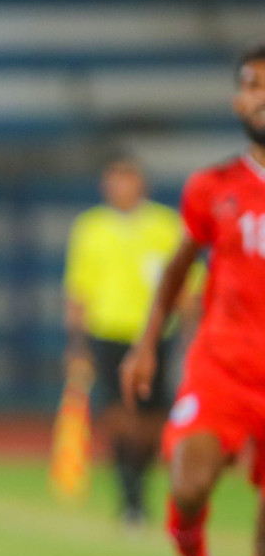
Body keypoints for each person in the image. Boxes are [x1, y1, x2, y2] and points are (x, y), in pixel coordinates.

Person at [122, 43, 265, 556]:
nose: (261, 95)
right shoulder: (213, 188)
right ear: (237, 101)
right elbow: (180, 267)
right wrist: (148, 344)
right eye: (252, 85)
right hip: (224, 367)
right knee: (188, 482)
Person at [63, 154, 188, 526]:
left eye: (127, 179)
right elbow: (78, 290)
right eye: (114, 180)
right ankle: (129, 496)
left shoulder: (166, 226)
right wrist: (77, 342)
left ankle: (140, 485)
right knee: (118, 414)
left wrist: (187, 330)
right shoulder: (90, 228)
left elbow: (187, 283)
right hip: (108, 330)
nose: (120, 187)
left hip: (154, 334)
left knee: (152, 418)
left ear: (141, 184)